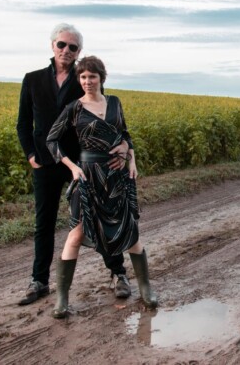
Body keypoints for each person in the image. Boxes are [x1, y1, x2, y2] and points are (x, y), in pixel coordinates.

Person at [16, 23, 132, 306]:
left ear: (79, 51)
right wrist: (32, 155)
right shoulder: (32, 80)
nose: (66, 50)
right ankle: (39, 281)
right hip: (46, 163)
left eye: (73, 47)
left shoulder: (84, 78)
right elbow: (23, 124)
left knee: (99, 218)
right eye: (62, 45)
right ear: (52, 45)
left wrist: (125, 149)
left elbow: (108, 120)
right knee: (43, 223)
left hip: (82, 163)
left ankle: (117, 273)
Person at [47, 55, 158, 319]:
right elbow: (52, 140)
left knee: (131, 233)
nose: (87, 81)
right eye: (83, 77)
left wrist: (131, 158)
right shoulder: (74, 108)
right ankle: (62, 299)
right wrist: (73, 167)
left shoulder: (115, 103)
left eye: (92, 77)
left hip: (117, 177)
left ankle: (146, 289)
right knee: (75, 235)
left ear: (101, 78)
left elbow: (126, 136)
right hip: (87, 177)